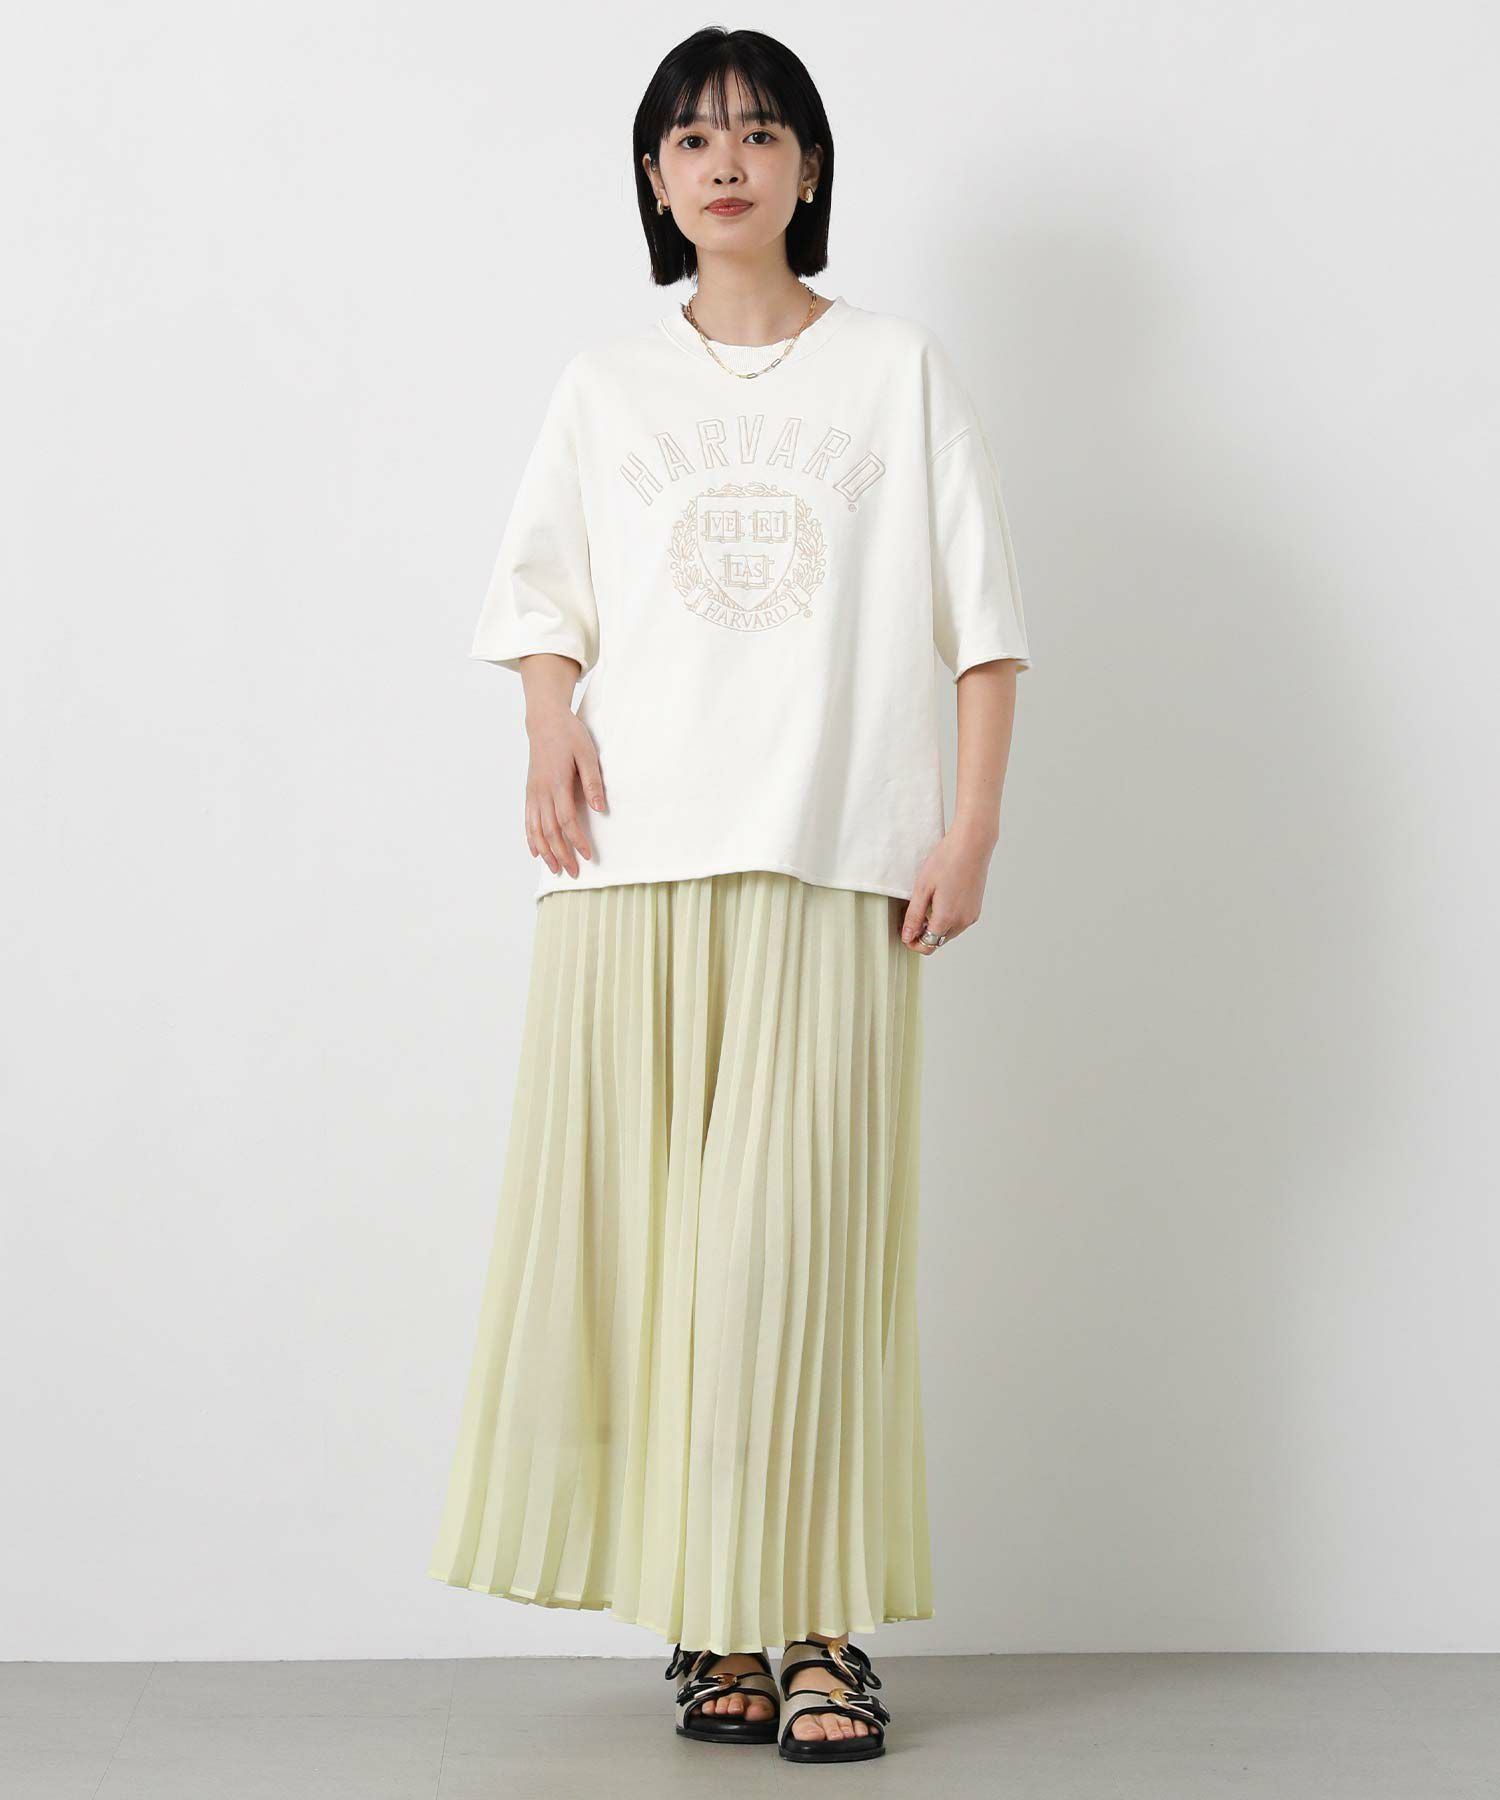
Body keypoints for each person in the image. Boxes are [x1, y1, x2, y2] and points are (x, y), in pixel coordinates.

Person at [427, 25, 1031, 1767]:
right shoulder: (607, 386)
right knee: (658, 1259)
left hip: (836, 861)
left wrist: (971, 829)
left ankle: (822, 1624)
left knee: (801, 1257)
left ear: (810, 168)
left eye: (761, 134)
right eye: (692, 139)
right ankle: (718, 1623)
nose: (726, 162)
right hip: (632, 872)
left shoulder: (896, 371)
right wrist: (545, 723)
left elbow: (985, 629)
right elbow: (542, 599)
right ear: (653, 177)